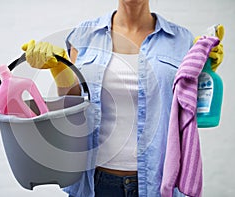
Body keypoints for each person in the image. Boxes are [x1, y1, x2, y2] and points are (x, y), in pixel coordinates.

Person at [21, 0, 223, 196]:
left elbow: (186, 107)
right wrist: (58, 68)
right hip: (95, 183)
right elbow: (72, 101)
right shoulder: (84, 35)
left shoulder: (182, 40)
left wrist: (204, 71)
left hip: (158, 184)